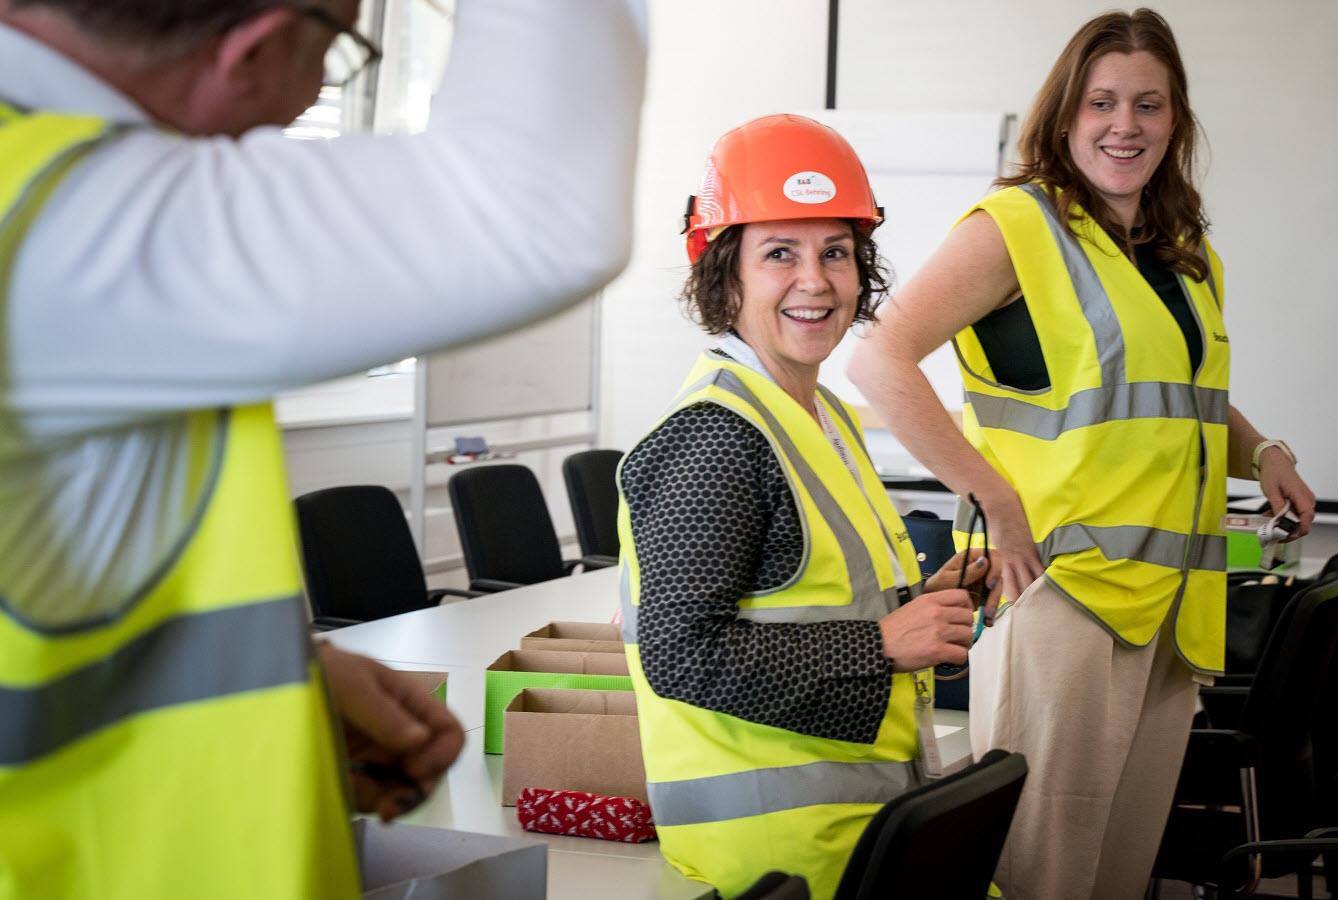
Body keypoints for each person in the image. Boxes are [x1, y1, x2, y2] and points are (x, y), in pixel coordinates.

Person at [0, 0, 643, 895]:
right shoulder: (62, 213)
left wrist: (290, 678)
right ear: (255, 50)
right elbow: (534, 207)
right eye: (343, 45)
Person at [847, 10, 1316, 898]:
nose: (1124, 125)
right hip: (1059, 595)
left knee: (1115, 879)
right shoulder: (1017, 226)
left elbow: (1185, 399)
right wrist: (994, 496)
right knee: (1039, 878)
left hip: (1169, 611)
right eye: (1102, 103)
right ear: (1064, 117)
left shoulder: (1183, 252)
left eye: (1149, 105)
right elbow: (879, 356)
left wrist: (1266, 453)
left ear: (1176, 121)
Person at [617, 114, 986, 899]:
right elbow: (682, 654)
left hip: (863, 828)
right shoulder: (714, 437)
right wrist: (883, 643)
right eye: (779, 253)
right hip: (778, 860)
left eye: (837, 253)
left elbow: (810, 603)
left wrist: (923, 605)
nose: (815, 280)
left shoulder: (826, 419)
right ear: (726, 277)